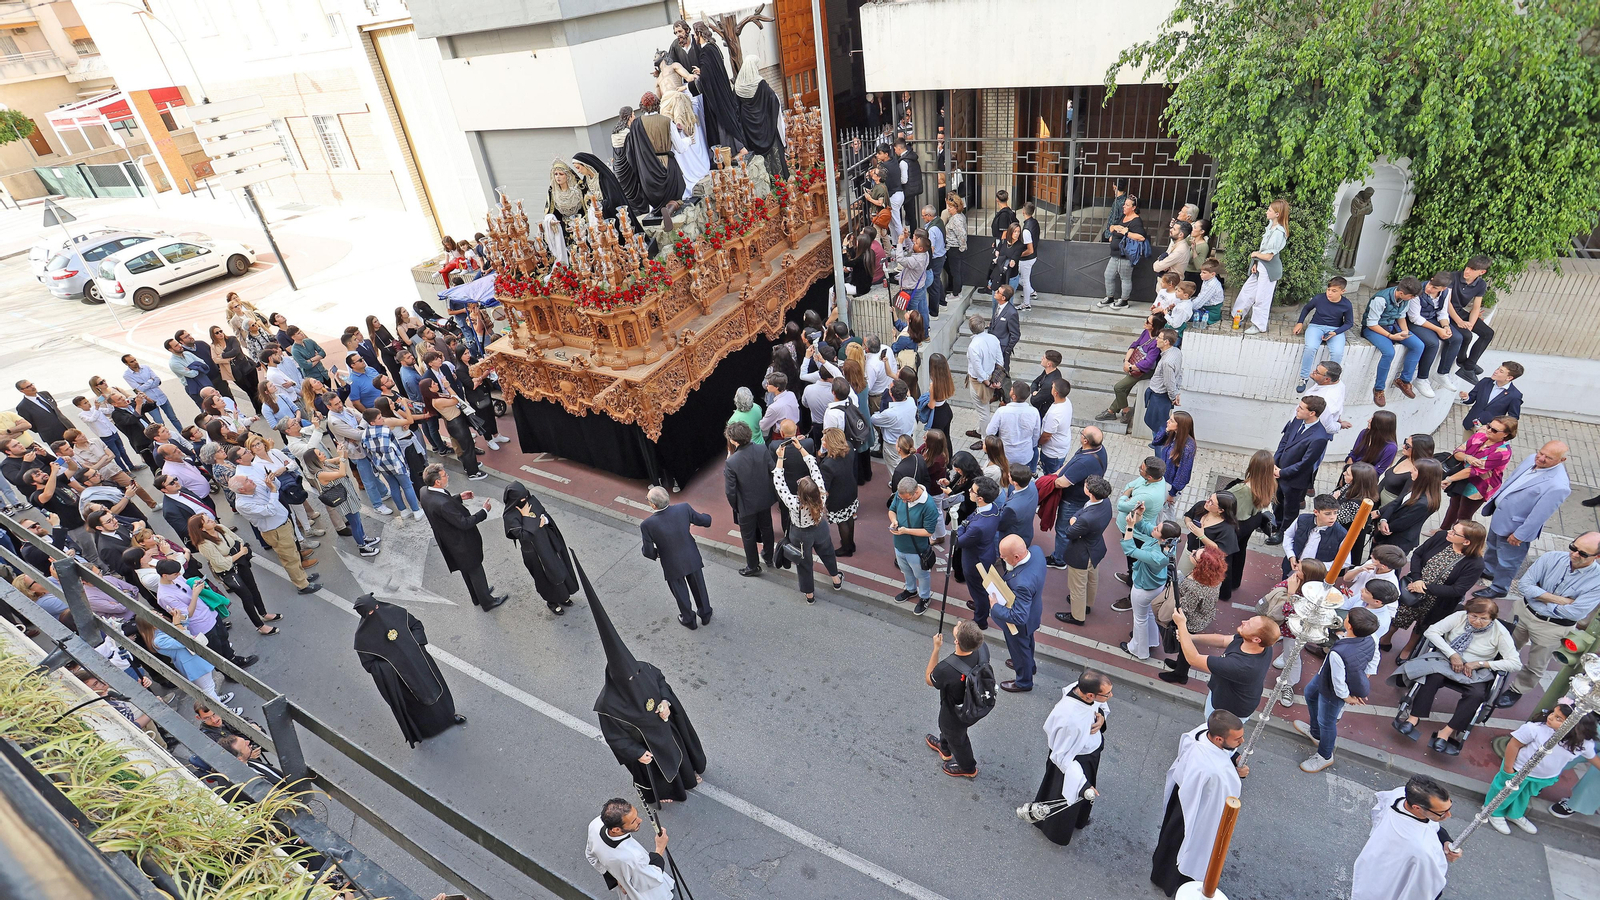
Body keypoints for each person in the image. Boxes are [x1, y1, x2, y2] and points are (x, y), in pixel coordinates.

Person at [585, 565, 706, 806]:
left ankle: (689, 777)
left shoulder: (643, 670)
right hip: (647, 746)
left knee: (681, 756)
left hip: (667, 730)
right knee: (661, 773)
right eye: (630, 680)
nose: (635, 680)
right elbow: (615, 738)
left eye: (636, 675)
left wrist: (665, 702)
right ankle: (669, 793)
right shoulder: (607, 706)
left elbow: (660, 681)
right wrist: (637, 752)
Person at [1392, 599, 1520, 753]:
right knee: (1431, 676)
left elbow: (1515, 663)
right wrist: (1452, 654)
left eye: (1484, 618)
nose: (1477, 621)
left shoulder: (1500, 632)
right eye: (1473, 616)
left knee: (1477, 694)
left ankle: (1446, 732)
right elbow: (1431, 632)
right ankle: (1413, 718)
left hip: (1474, 669)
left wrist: (1481, 664)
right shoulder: (1459, 617)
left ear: (1492, 618)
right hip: (1446, 659)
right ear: (1468, 612)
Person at [1495, 533, 1600, 709]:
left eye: (1583, 553)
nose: (1574, 554)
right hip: (1523, 611)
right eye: (1573, 547)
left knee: (1536, 664)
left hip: (1554, 626)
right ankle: (1492, 673)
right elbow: (1524, 586)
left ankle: (1517, 689)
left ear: (1597, 556)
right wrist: (1561, 600)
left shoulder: (1597, 581)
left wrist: (1539, 595)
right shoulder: (1551, 557)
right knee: (1503, 644)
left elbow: (1576, 612)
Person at [1151, 710, 1245, 897]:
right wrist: (1237, 773)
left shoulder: (1203, 732)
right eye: (1237, 739)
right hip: (1193, 810)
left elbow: (1225, 753)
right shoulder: (1209, 768)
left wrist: (1234, 758)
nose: (1242, 741)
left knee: (1171, 840)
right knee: (1182, 845)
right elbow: (1224, 789)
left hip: (1183, 797)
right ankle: (1170, 882)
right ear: (1219, 739)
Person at [353, 594, 465, 747]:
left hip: (420, 663)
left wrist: (415, 645)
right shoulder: (362, 638)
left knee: (436, 690)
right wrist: (390, 665)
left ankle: (449, 718)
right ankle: (426, 731)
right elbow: (369, 665)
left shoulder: (395, 612)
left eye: (377, 607)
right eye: (371, 612)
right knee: (416, 705)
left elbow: (416, 625)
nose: (376, 612)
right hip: (400, 677)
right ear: (364, 614)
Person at [1476, 440, 1570, 599]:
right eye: (1541, 453)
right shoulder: (1531, 458)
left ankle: (1499, 587)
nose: (1541, 458)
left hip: (1516, 528)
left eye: (1548, 458)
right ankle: (1489, 570)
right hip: (1501, 516)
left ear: (1562, 460)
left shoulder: (1558, 485)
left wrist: (1520, 534)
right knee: (1492, 547)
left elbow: (1540, 515)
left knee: (1508, 561)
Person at [1487, 703, 1598, 834]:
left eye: (1558, 718)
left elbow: (1592, 758)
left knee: (1524, 796)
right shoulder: (1535, 729)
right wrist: (1508, 769)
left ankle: (1514, 814)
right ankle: (1493, 812)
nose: (1550, 717)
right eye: (1553, 713)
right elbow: (1513, 745)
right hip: (1519, 770)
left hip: (1542, 777)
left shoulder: (1582, 743)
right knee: (1506, 792)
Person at [1033, 670, 1113, 845]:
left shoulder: (1080, 690)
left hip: (1088, 756)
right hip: (1075, 763)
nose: (1111, 696)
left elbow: (1098, 709)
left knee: (1079, 797)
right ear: (1090, 695)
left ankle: (1079, 818)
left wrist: (1101, 719)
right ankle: (1055, 831)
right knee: (1065, 797)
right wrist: (1082, 783)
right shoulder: (1070, 720)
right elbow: (1061, 757)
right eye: (1107, 694)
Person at [1295, 607, 1379, 772]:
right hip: (1325, 676)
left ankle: (1325, 756)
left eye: (1347, 618)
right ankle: (1315, 733)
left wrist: (1346, 697)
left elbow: (1338, 681)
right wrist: (1366, 675)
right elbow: (1375, 657)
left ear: (1349, 626)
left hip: (1332, 688)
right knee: (1310, 694)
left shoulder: (1338, 653)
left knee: (1327, 722)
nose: (1344, 618)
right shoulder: (1371, 637)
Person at [1349, 777, 1460, 900]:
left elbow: (1433, 827)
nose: (1449, 815)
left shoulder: (1401, 795)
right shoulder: (1421, 850)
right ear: (1417, 808)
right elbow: (1425, 889)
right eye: (1442, 812)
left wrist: (1446, 841)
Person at [1169, 608, 1280, 723]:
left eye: (1249, 624)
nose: (1243, 621)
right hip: (1223, 693)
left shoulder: (1241, 666)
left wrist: (1181, 624)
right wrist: (1190, 637)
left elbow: (1194, 659)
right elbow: (1222, 640)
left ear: (1256, 639)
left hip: (1228, 711)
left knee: (1212, 728)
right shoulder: (1260, 644)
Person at [420, 464, 505, 611]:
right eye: (444, 475)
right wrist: (484, 511)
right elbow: (464, 523)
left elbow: (442, 506)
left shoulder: (424, 492)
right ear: (437, 481)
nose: (447, 476)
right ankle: (487, 602)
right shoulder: (442, 504)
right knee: (475, 569)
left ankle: (477, 596)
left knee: (466, 570)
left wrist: (459, 497)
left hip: (449, 542)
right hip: (461, 543)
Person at [228, 476, 319, 594]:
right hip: (275, 531)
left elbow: (276, 486)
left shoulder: (255, 487)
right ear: (241, 490)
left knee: (295, 554)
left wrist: (273, 481)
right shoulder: (243, 504)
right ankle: (302, 585)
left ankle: (303, 577)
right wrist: (273, 491)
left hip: (284, 525)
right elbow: (269, 511)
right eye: (246, 480)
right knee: (290, 559)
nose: (251, 480)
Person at [638, 486, 714, 628]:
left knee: (680, 593)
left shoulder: (647, 525)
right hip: (691, 556)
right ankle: (705, 614)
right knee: (699, 587)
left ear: (653, 505)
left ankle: (689, 619)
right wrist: (708, 518)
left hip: (671, 563)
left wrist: (657, 553)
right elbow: (703, 520)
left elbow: (647, 552)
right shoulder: (684, 508)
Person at [191, 516, 278, 636]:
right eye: (207, 521)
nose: (211, 520)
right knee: (246, 597)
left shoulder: (220, 528)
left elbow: (239, 540)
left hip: (241, 564)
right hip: (228, 572)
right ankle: (260, 626)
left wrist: (232, 556)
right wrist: (240, 553)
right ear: (202, 529)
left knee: (253, 588)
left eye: (209, 518)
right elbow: (221, 563)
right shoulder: (204, 544)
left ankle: (264, 613)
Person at [925, 619, 989, 778]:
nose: (959, 622)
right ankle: (945, 748)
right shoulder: (982, 648)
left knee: (957, 738)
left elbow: (929, 679)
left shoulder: (946, 669)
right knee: (952, 733)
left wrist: (936, 649)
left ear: (956, 641)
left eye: (959, 627)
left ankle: (968, 768)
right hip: (972, 704)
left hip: (954, 713)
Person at [1265, 396, 1333, 544]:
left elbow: (1305, 464)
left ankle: (1284, 533)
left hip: (1295, 480)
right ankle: (1277, 524)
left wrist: (1282, 472)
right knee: (1277, 502)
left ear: (1312, 413)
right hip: (1279, 472)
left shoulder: (1320, 437)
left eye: (1301, 408)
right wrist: (1275, 464)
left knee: (1290, 509)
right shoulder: (1297, 421)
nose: (1297, 409)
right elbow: (1284, 442)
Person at [1053, 477, 1115, 627]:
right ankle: (1087, 605)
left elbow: (1069, 533)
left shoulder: (1086, 519)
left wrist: (1073, 521)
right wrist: (1077, 517)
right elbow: (1084, 509)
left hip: (1081, 554)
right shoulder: (1105, 502)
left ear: (1089, 492)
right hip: (1096, 548)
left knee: (1077, 587)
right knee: (1092, 579)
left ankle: (1077, 616)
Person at [1044, 426, 1109, 569]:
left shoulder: (1085, 462)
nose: (1080, 435)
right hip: (1082, 498)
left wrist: (1047, 483)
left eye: (1082, 433)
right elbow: (1071, 463)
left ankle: (1059, 560)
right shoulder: (1098, 449)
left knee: (1063, 530)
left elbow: (1062, 483)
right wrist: (1056, 473)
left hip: (1072, 501)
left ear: (1085, 440)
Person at [586, 799, 674, 900]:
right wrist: (660, 847)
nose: (640, 820)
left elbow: (590, 855)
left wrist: (615, 877)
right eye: (633, 821)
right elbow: (652, 879)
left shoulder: (595, 824)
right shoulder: (632, 857)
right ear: (616, 829)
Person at [1438, 416, 1515, 531]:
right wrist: (1467, 457)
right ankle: (1443, 531)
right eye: (1489, 426)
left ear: (1505, 434)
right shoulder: (1481, 435)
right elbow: (1457, 453)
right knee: (1454, 504)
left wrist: (1449, 479)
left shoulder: (1502, 452)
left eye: (1494, 430)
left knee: (1464, 515)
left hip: (1479, 485)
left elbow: (1474, 470)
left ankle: (1457, 537)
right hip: (1461, 476)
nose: (1489, 430)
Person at [991, 534, 1046, 693]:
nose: (1001, 558)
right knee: (1028, 643)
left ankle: (1024, 682)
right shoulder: (1036, 551)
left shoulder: (1023, 583)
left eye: (1004, 556)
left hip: (1019, 625)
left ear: (1016, 557)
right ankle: (1030, 665)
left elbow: (1018, 617)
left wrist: (995, 606)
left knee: (1019, 650)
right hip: (1033, 613)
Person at [1361, 277, 1427, 406]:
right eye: (1411, 296)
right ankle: (1379, 389)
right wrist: (1390, 336)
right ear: (1401, 293)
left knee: (1418, 345)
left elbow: (1401, 316)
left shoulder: (1405, 299)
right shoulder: (1380, 299)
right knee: (1389, 353)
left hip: (1392, 326)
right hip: (1374, 329)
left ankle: (1404, 380)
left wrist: (1405, 331)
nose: (1413, 298)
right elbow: (1371, 324)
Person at [723, 421, 777, 576]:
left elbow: (730, 491)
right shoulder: (762, 449)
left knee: (748, 536)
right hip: (764, 499)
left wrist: (736, 506)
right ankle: (769, 556)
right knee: (767, 528)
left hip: (746, 505)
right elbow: (773, 470)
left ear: (734, 440)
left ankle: (753, 566)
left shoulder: (731, 462)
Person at [1229, 199, 1289, 335]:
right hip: (1261, 266)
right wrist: (1256, 262)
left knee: (1262, 298)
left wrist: (1255, 254)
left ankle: (1258, 325)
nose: (1267, 212)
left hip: (1269, 269)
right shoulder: (1271, 227)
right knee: (1247, 291)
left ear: (1277, 214)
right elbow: (1264, 251)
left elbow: (1268, 256)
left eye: (1269, 210)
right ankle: (1237, 315)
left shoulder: (1278, 232)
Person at [1096, 312, 1166, 426]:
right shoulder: (1146, 332)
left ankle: (1126, 411)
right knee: (1125, 387)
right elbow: (1134, 345)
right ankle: (1111, 411)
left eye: (1148, 322)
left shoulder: (1156, 342)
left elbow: (1148, 363)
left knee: (1119, 387)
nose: (1145, 322)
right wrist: (1126, 361)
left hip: (1145, 370)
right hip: (1135, 365)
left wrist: (1130, 367)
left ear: (1153, 326)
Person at [1292, 277, 1356, 389]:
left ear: (1342, 291)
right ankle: (1304, 377)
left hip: (1335, 329)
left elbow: (1349, 323)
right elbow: (1306, 308)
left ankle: (1330, 381)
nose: (1329, 293)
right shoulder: (1319, 298)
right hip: (1316, 326)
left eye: (1334, 291)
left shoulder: (1346, 304)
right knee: (1310, 347)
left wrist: (1335, 332)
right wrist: (1300, 323)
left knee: (1337, 353)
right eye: (1328, 289)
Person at [888, 475, 937, 612]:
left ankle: (925, 597)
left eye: (907, 499)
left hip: (917, 550)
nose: (903, 501)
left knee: (922, 575)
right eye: (901, 498)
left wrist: (906, 531)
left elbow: (928, 532)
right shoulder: (901, 495)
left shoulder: (929, 506)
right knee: (905, 571)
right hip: (899, 545)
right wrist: (894, 521)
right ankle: (911, 590)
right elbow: (892, 510)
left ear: (915, 492)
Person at [1447, 255, 1495, 380]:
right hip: (1446, 312)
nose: (1467, 271)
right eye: (1467, 267)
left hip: (1460, 311)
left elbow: (1476, 307)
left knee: (1488, 333)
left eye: (1473, 269)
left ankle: (1469, 366)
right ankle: (1464, 363)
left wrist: (1471, 324)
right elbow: (1447, 303)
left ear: (1482, 272)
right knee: (1466, 336)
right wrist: (1459, 321)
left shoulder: (1481, 284)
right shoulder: (1453, 277)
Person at [1279, 494, 1348, 579]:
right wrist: (1291, 555)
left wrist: (1316, 568)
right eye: (1327, 514)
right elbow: (1288, 535)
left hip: (1317, 576)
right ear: (1316, 512)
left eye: (1335, 513)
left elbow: (1345, 561)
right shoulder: (1302, 519)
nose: (1333, 517)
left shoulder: (1341, 533)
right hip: (1293, 568)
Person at [1098, 194, 1147, 310]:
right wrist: (1114, 229)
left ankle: (1124, 301)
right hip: (1115, 254)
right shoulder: (1123, 217)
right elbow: (1112, 227)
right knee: (1108, 275)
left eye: (1127, 205)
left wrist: (1126, 232)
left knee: (1125, 278)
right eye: (1124, 204)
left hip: (1125, 256)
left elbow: (1141, 237)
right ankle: (1110, 297)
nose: (1124, 206)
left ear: (1134, 207)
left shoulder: (1136, 221)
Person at [963, 315, 1004, 442]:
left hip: (978, 382)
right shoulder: (993, 338)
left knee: (983, 412)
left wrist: (988, 382)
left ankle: (985, 439)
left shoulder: (973, 346)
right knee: (984, 409)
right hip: (990, 378)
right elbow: (1000, 361)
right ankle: (980, 431)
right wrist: (995, 380)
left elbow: (978, 369)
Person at [1458, 361, 1523, 436]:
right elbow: (1471, 398)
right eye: (1498, 369)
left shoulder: (1514, 395)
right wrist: (1466, 398)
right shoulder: (1485, 382)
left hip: (1488, 432)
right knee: (1465, 444)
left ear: (1509, 378)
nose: (1496, 371)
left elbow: (1513, 418)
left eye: (1501, 371)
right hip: (1470, 424)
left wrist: (1494, 427)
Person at [984, 380, 1040, 467]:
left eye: (1011, 389)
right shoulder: (1034, 412)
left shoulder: (1001, 411)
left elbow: (990, 432)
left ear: (1014, 396)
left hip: (1006, 454)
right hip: (1025, 455)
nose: (1009, 390)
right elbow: (1036, 435)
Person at [13, 379, 72, 446]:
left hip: (67, 427)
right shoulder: (23, 407)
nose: (32, 387)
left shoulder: (45, 394)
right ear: (22, 390)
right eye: (28, 387)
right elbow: (31, 425)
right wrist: (44, 429)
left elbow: (55, 408)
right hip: (52, 435)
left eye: (31, 384)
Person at [998, 463, 1039, 547]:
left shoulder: (1011, 508)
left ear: (1015, 483)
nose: (1008, 476)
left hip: (1013, 539)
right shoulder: (1032, 486)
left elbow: (1002, 525)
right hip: (1026, 531)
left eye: (1009, 476)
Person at [989, 284, 1021, 372]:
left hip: (1002, 348)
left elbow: (1015, 334)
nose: (995, 292)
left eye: (998, 292)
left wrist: (1007, 350)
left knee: (1002, 372)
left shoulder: (1011, 312)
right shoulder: (998, 306)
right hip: (992, 345)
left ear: (1003, 298)